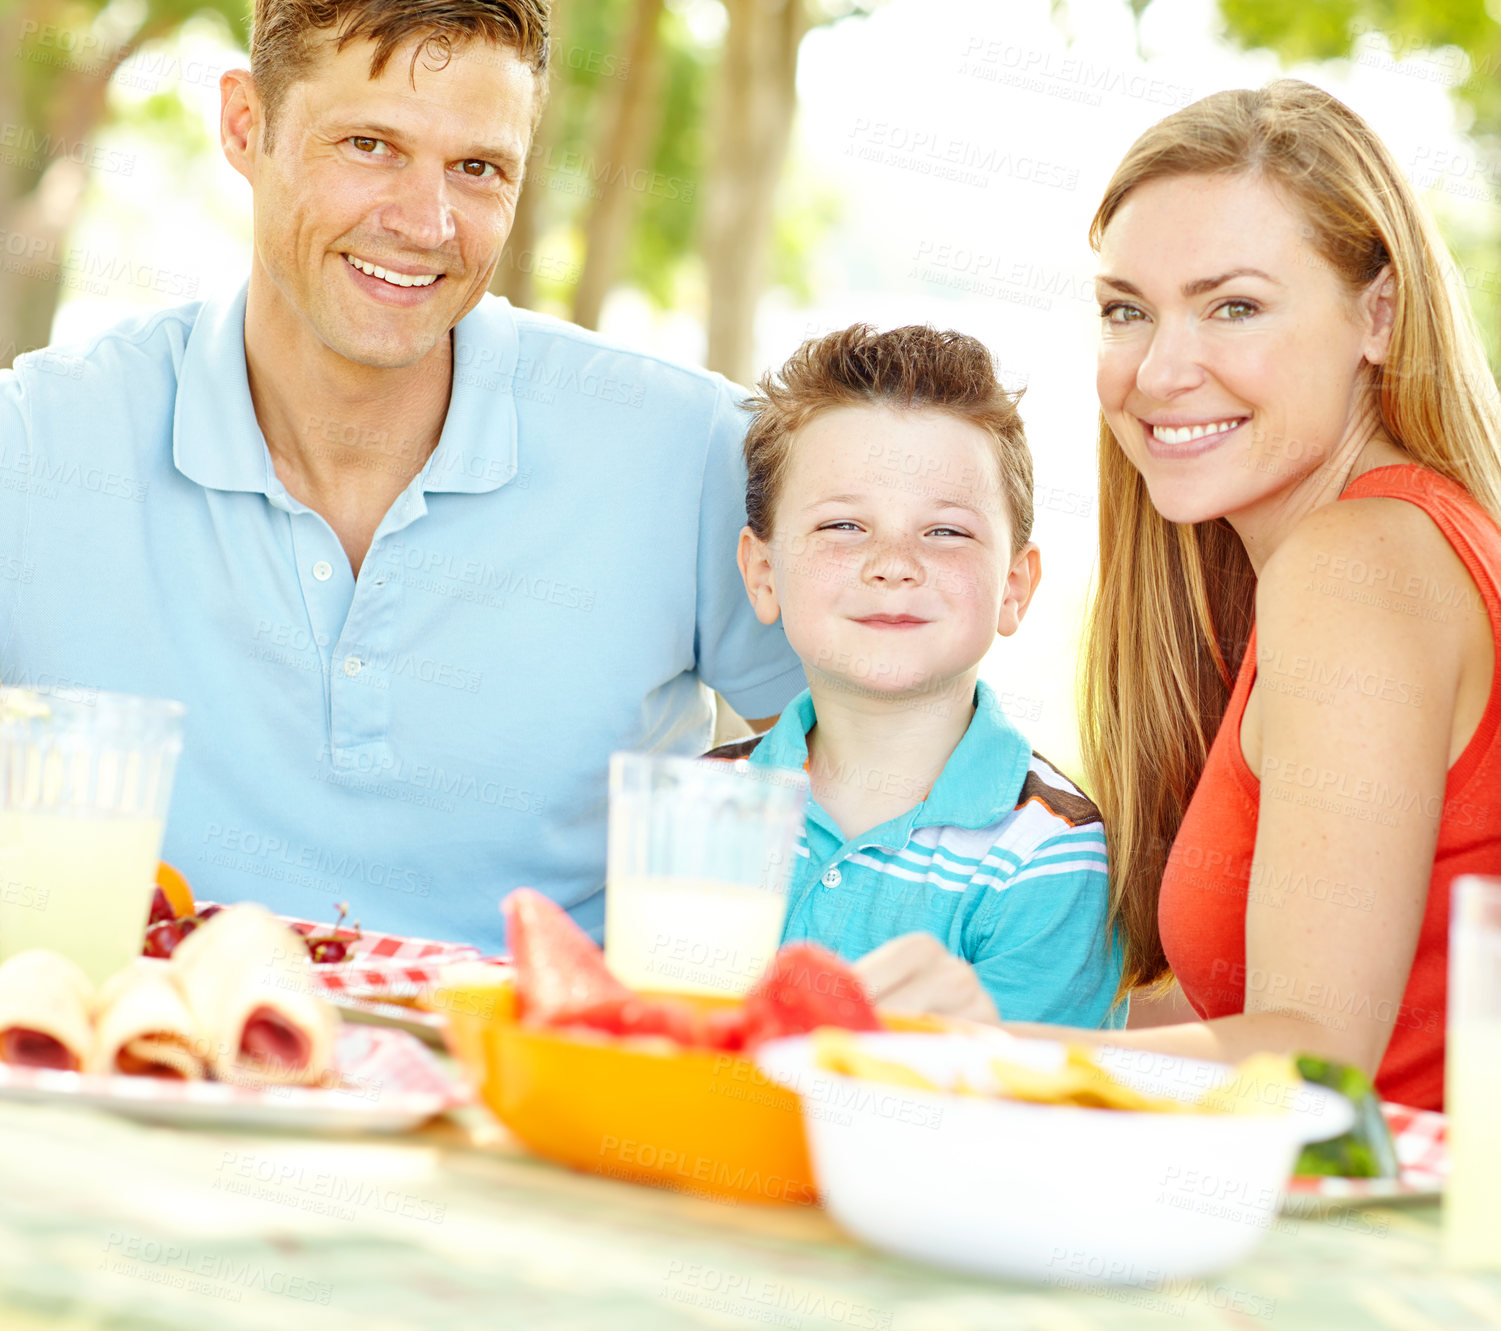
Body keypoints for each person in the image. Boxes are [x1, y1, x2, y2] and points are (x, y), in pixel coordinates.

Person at [0, 0, 803, 953]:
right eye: (371, 145)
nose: (427, 224)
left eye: (478, 168)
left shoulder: (692, 453)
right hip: (139, 1074)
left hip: (541, 1091)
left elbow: (895, 771)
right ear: (245, 125)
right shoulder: (35, 446)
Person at [1006, 80, 1501, 1111]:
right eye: (1125, 311)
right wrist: (980, 1002)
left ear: (1378, 313)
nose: (1160, 369)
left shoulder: (1356, 567)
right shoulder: (1383, 548)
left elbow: (1312, 1064)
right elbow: (1231, 1015)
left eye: (1232, 305)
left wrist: (959, 1055)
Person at [709, 324, 1122, 1028]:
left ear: (1014, 587)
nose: (893, 561)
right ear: (761, 572)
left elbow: (1035, 1109)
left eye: (946, 532)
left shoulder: (1049, 852)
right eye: (843, 526)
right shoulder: (705, 801)